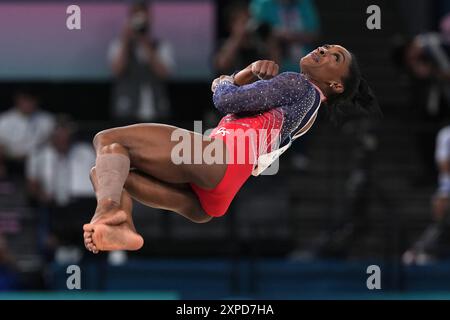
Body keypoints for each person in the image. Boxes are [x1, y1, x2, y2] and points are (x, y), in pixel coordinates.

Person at [83, 44, 381, 254]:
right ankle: (119, 226)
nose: (323, 50)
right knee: (108, 171)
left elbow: (227, 100)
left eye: (335, 57)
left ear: (336, 85)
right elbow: (240, 102)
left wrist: (227, 80)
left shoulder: (298, 85)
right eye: (326, 47)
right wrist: (243, 75)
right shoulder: (307, 114)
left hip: (218, 157)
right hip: (219, 193)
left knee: (108, 140)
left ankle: (108, 213)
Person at [108, 1, 175, 122]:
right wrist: (126, 40)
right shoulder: (119, 45)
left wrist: (145, 42)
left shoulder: (161, 46)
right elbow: (116, 70)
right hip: (127, 110)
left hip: (157, 111)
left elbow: (164, 73)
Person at [0, 89, 55, 176]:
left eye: (31, 100)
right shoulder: (4, 120)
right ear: (17, 101)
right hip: (10, 162)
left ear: (37, 101)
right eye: (25, 100)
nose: (28, 104)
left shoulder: (47, 120)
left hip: (37, 164)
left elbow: (51, 145)